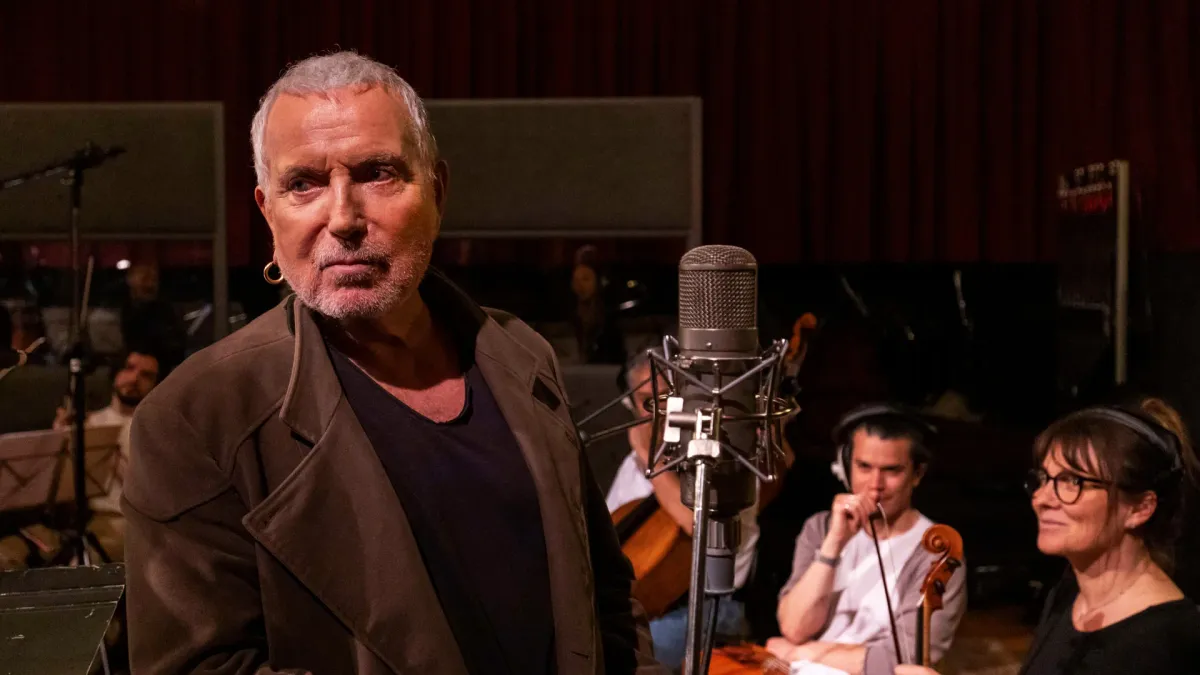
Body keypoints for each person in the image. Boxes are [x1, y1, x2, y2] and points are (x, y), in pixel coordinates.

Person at [122, 51, 664, 675]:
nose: (343, 218)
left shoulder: (523, 355)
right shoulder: (195, 417)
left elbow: (604, 600)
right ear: (268, 212)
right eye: (303, 184)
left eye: (377, 173)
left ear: (437, 192)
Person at [896, 397, 1200, 675]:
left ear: (1139, 508)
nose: (1041, 498)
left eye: (1072, 482)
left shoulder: (1168, 641)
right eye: (1044, 479)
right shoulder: (1070, 593)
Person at [605, 346, 780, 670]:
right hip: (647, 604)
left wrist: (652, 463)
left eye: (669, 400)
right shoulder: (633, 462)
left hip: (715, 606)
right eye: (648, 403)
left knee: (629, 651)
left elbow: (699, 526)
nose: (662, 413)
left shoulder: (726, 455)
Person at [769, 405, 966, 675]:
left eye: (891, 470)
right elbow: (794, 628)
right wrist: (833, 545)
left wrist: (803, 653)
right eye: (863, 467)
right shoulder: (820, 528)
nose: (875, 484)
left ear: (917, 474)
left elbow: (909, 657)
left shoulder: (938, 550)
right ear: (844, 467)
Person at [53, 347, 160, 560]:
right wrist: (59, 438)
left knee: (81, 564)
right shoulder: (88, 422)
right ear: (116, 373)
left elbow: (154, 497)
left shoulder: (157, 429)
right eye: (129, 368)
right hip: (78, 520)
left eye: (146, 375)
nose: (135, 379)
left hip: (126, 522)